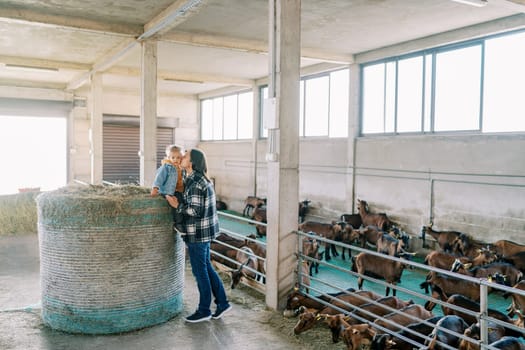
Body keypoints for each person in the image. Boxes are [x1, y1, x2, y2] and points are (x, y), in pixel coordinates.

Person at [166, 148, 231, 323]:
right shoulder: (196, 178)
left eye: (185, 156)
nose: (181, 158)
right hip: (204, 232)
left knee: (199, 271)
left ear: (192, 162)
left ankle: (204, 310)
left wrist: (176, 205)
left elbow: (194, 210)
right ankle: (223, 303)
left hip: (198, 234)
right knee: (207, 268)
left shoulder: (195, 182)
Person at [151, 144, 185, 233]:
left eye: (178, 158)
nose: (175, 160)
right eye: (173, 157)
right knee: (176, 205)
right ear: (168, 157)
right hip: (167, 191)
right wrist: (155, 188)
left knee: (182, 202)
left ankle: (183, 221)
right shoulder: (167, 167)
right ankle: (178, 223)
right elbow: (159, 178)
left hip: (177, 190)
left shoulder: (181, 168)